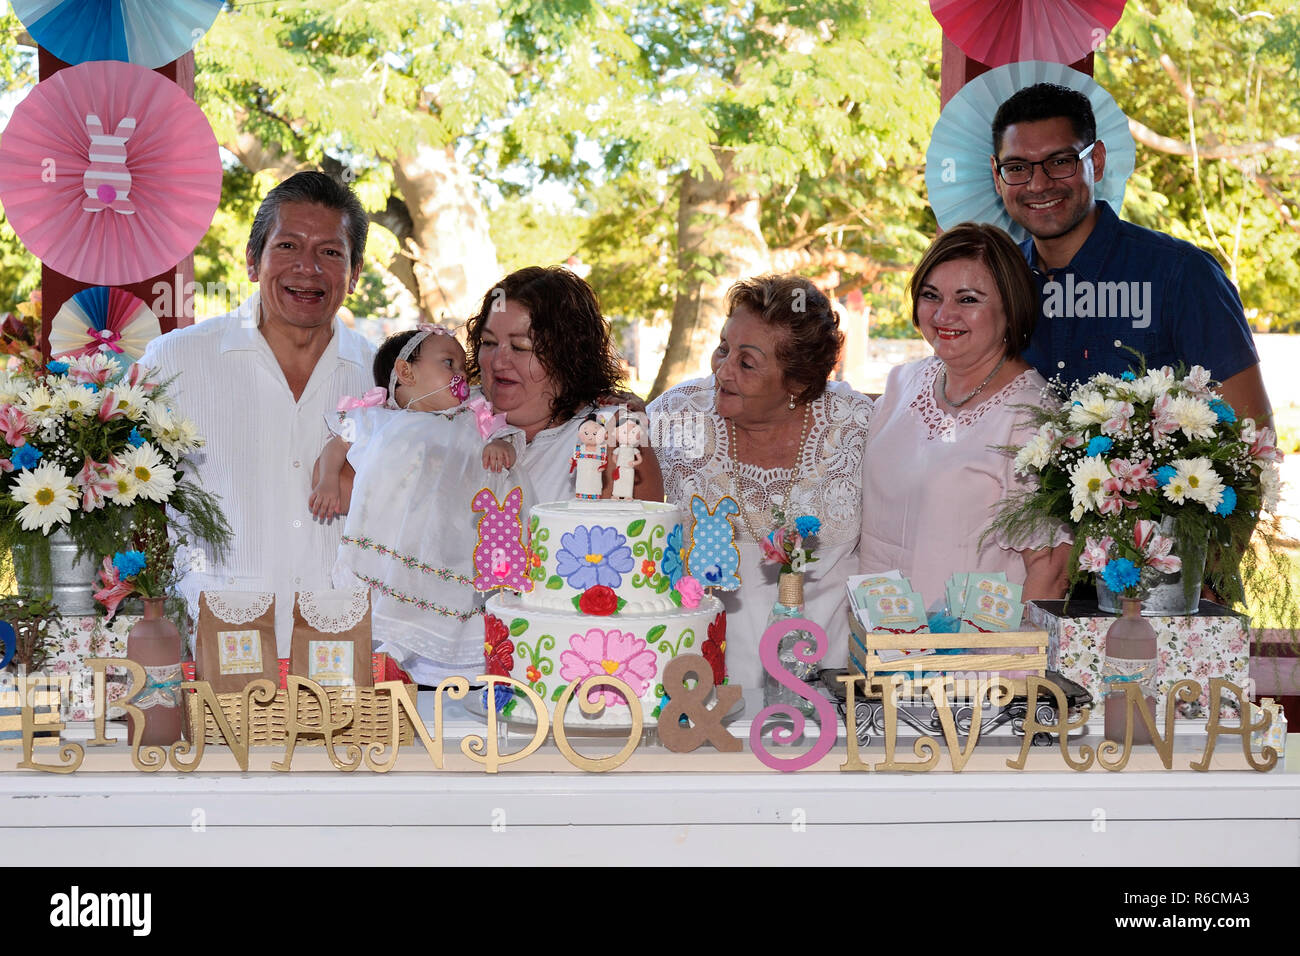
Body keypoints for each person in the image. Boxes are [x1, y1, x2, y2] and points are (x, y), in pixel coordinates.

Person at [141, 171, 374, 653]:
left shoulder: (383, 378)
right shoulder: (173, 362)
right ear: (252, 260)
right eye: (288, 246)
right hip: (213, 659)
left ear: (354, 274)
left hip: (344, 659)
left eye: (330, 252)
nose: (307, 268)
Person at [989, 82, 1271, 426]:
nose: (1038, 184)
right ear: (997, 175)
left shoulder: (1181, 275)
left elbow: (1252, 437)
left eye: (1060, 161)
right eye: (1017, 167)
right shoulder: (993, 284)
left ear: (1096, 160)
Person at [649, 275, 873, 693]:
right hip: (701, 688)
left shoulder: (858, 428)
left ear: (799, 383)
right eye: (722, 348)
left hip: (825, 691)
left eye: (746, 362)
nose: (722, 370)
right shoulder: (675, 417)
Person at [859, 223, 1071, 611]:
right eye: (930, 295)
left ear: (1011, 305)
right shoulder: (901, 384)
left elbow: (1050, 570)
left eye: (968, 299)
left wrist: (1005, 665)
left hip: (969, 658)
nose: (943, 314)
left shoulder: (1032, 417)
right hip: (873, 641)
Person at [308, 325, 524, 684]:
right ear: (406, 371)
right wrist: (329, 478)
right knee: (394, 596)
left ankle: (451, 665)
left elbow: (506, 444)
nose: (460, 375)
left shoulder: (473, 419)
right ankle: (390, 656)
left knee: (447, 598)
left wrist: (500, 447)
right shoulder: (377, 419)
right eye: (448, 362)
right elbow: (338, 444)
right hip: (395, 540)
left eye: (462, 367)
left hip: (449, 541)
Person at [464, 265, 663, 503]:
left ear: (569, 356)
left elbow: (635, 535)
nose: (497, 361)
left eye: (520, 347)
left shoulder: (613, 435)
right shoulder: (453, 416)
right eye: (488, 342)